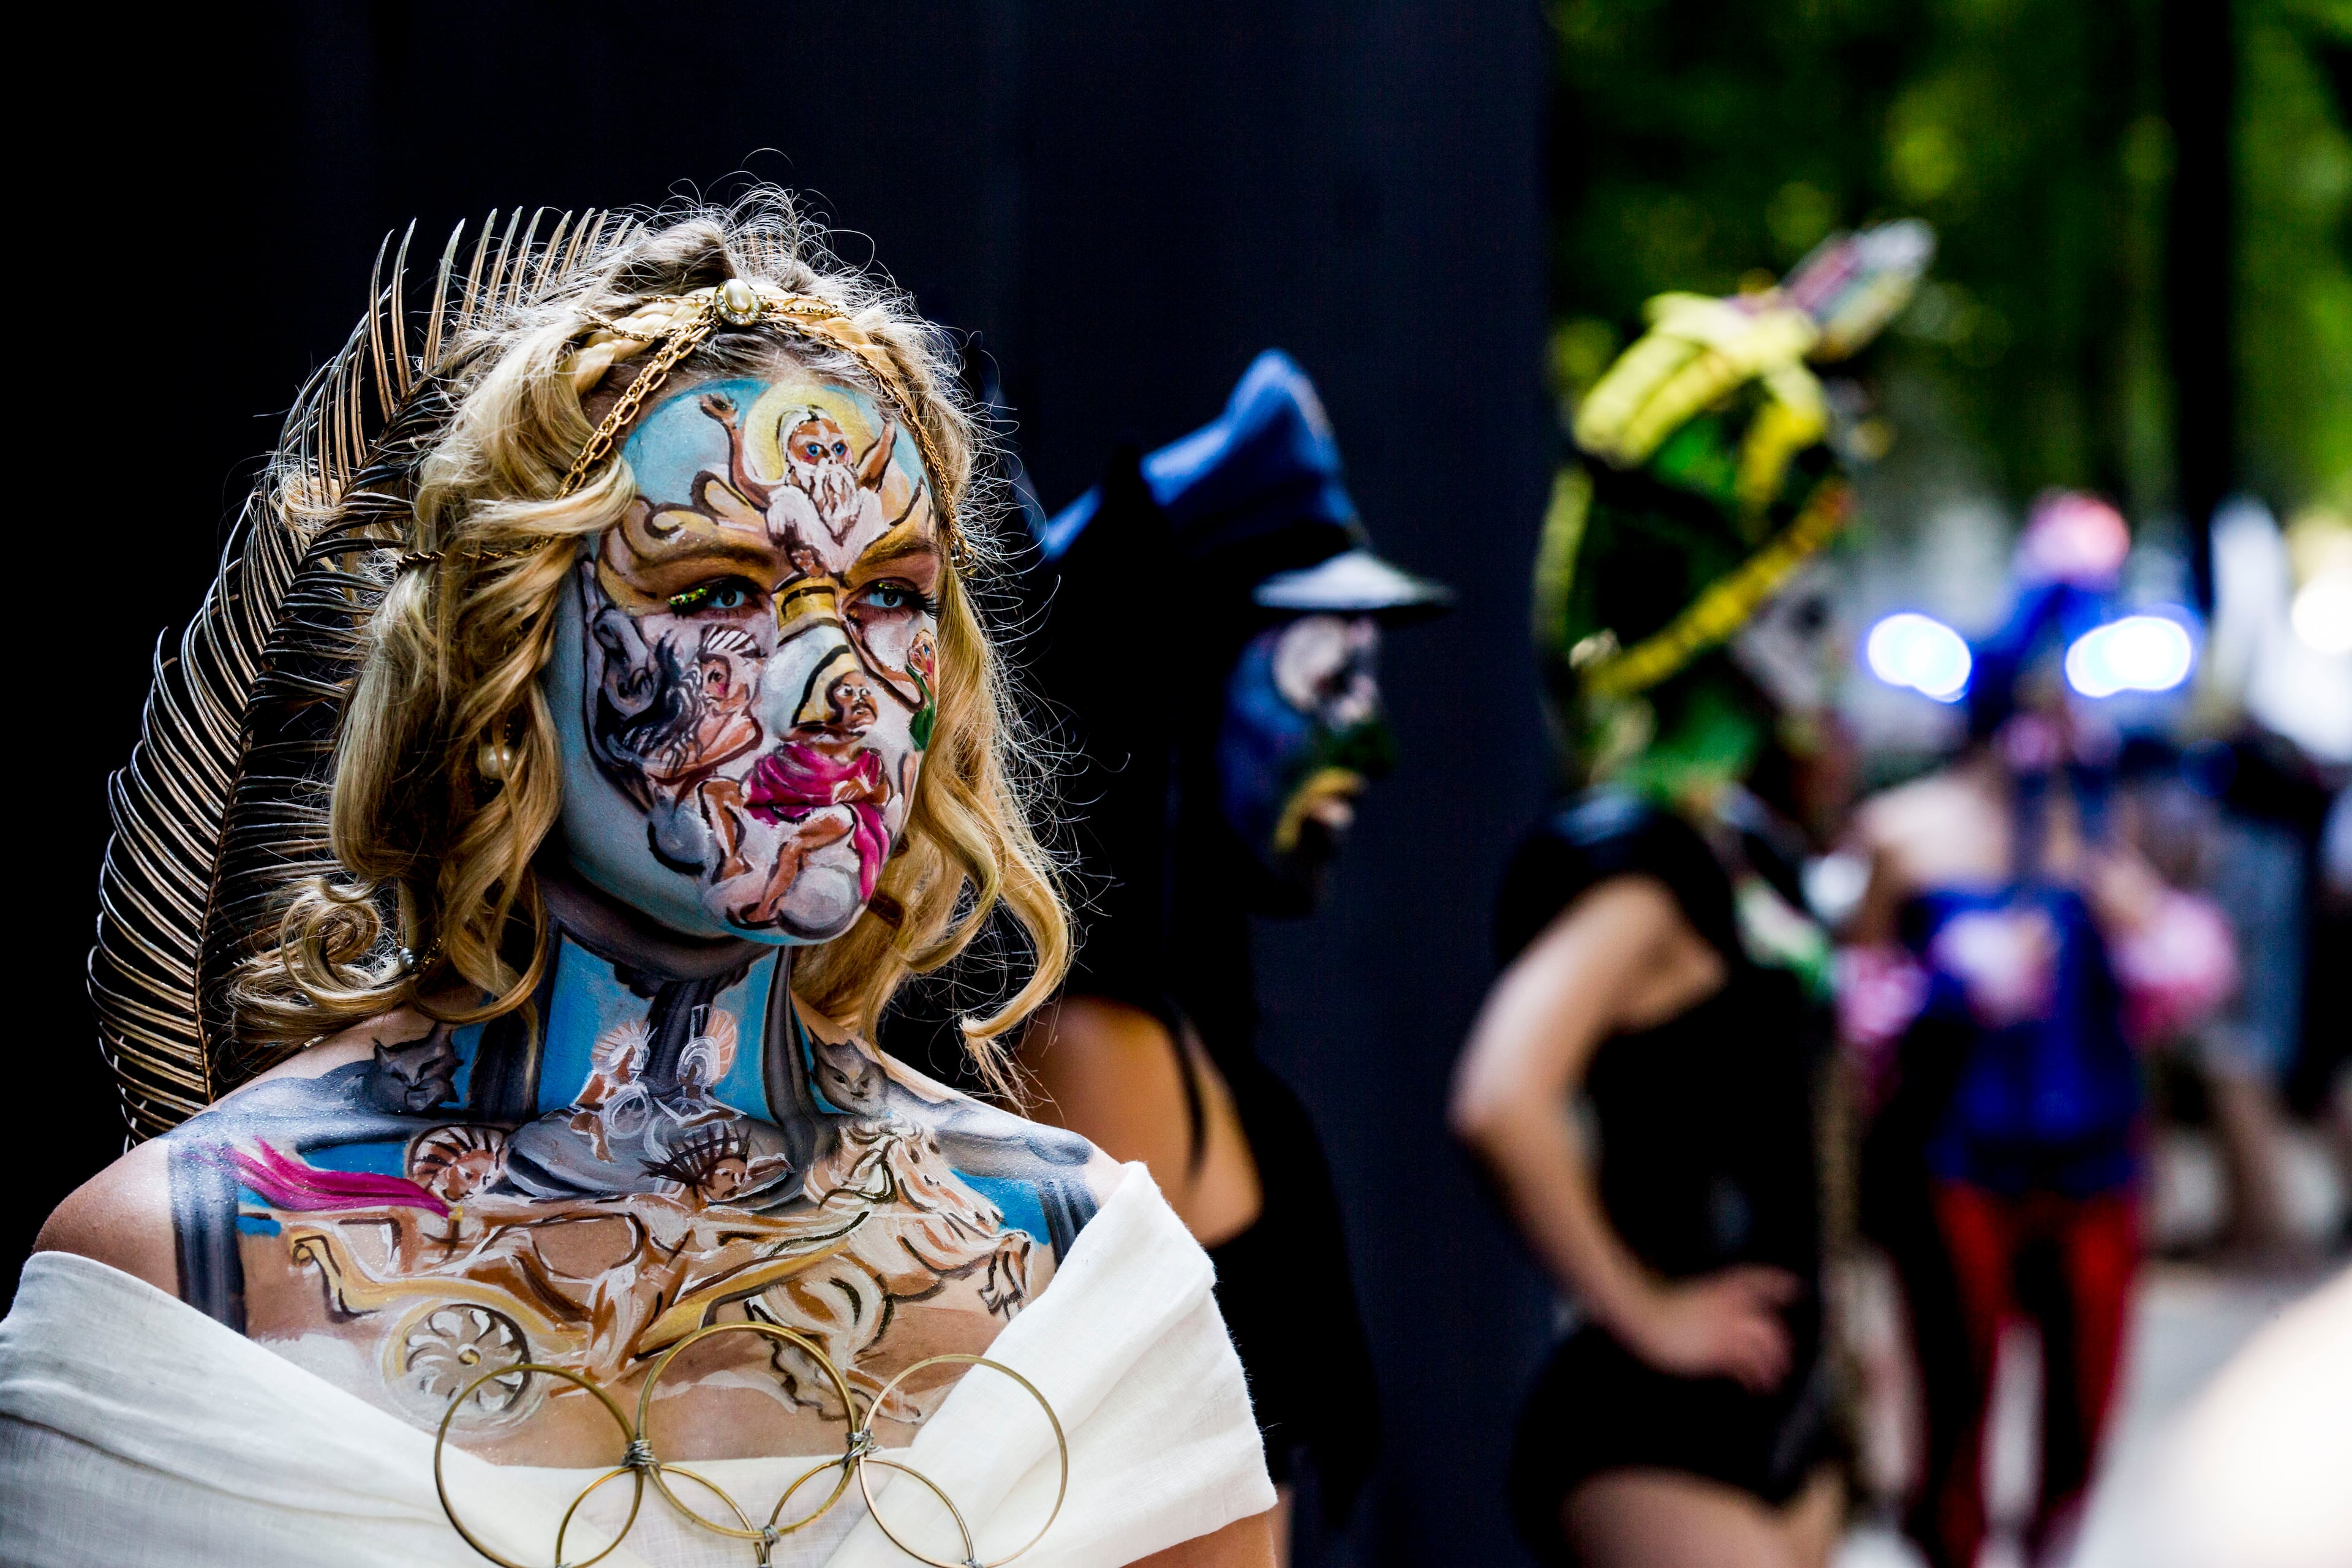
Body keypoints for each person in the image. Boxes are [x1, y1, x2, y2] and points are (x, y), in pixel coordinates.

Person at [4, 195, 1275, 1568]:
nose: (840, 685)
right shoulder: (188, 1262)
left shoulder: (1080, 1267)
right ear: (505, 655)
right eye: (724, 590)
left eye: (894, 594)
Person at [1452, 222, 1933, 1568]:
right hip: (1660, 1437)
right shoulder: (1652, 866)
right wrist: (1648, 1308)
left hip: (1787, 1434)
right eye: (1801, 580)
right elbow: (1500, 1094)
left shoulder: (1748, 858)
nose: (1829, 631)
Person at [994, 352, 1449, 1559]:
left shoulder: (1172, 1039)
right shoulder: (1099, 1050)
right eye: (1328, 677)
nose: (1374, 740)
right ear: (1178, 688)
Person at [1845, 492, 2234, 1568]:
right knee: (1956, 1404)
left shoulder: (2117, 831)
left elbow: (2194, 986)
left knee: (2082, 1418)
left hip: (2097, 1160)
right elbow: (1851, 1008)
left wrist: (2139, 918)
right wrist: (1937, 988)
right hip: (1957, 1157)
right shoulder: (1907, 833)